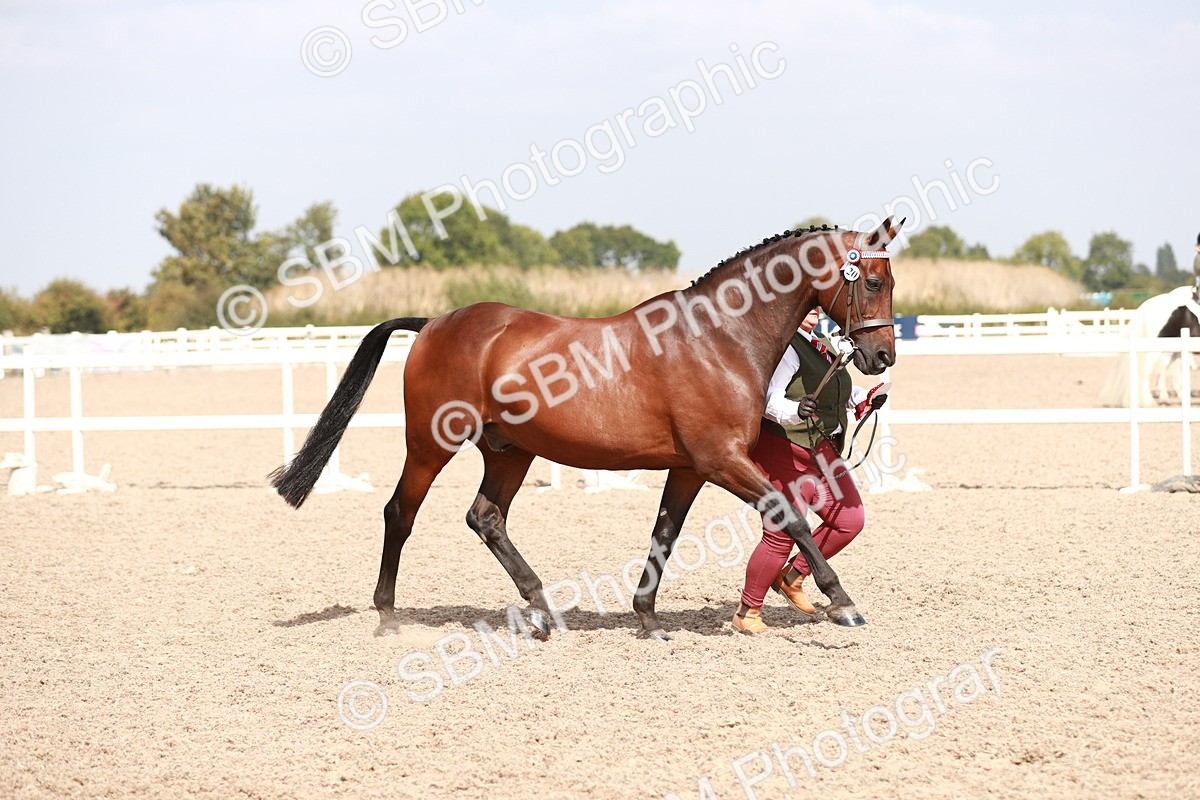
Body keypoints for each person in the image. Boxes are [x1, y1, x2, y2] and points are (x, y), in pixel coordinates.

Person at [733, 307, 889, 634]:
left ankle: (792, 577)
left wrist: (861, 398)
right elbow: (767, 400)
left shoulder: (822, 343)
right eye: (809, 304)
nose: (816, 311)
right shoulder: (785, 347)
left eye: (819, 305)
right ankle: (748, 611)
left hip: (822, 449)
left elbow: (834, 390)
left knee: (849, 519)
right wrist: (795, 410)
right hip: (784, 449)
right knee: (779, 537)